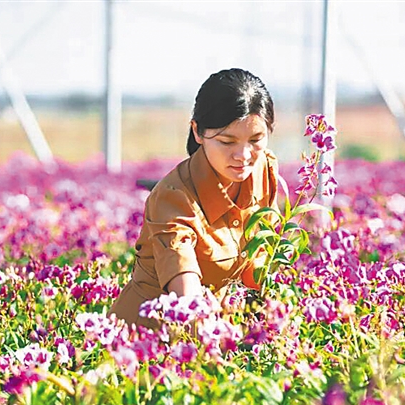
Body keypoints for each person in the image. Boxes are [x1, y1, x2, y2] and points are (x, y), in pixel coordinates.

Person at [109, 68, 279, 328]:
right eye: (227, 141)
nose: (244, 156)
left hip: (218, 329)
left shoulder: (263, 170)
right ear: (198, 132)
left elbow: (262, 262)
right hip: (148, 337)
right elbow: (187, 298)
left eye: (256, 139)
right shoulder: (173, 198)